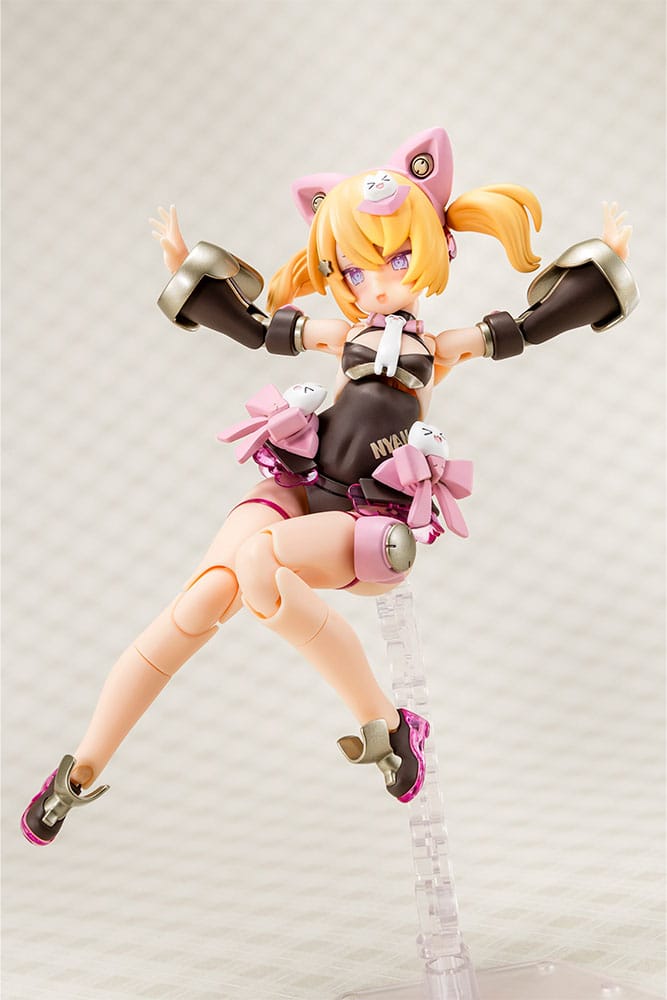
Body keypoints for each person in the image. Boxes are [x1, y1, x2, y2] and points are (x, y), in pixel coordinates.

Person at [21, 127, 637, 846]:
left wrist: (600, 273)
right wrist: (188, 271)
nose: (376, 282)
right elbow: (253, 324)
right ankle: (79, 772)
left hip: (370, 521)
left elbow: (529, 326)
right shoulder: (336, 336)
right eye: (353, 269)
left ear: (436, 248)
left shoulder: (439, 349)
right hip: (301, 484)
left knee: (262, 563)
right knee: (203, 597)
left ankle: (386, 726)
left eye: (398, 259)